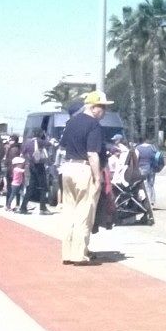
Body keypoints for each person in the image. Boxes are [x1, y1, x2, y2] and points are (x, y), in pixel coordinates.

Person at [58, 93, 107, 265]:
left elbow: (63, 144)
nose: (104, 111)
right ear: (93, 107)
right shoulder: (94, 125)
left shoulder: (71, 122)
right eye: (102, 107)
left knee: (69, 212)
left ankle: (67, 253)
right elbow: (92, 153)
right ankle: (79, 254)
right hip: (84, 168)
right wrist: (97, 177)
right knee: (84, 213)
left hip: (68, 167)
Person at [24, 130, 51, 215]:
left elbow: (24, 152)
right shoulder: (40, 141)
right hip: (39, 166)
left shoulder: (28, 142)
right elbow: (49, 144)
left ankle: (23, 207)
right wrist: (48, 138)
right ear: (41, 134)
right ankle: (43, 208)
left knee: (31, 187)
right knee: (43, 187)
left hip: (31, 165)